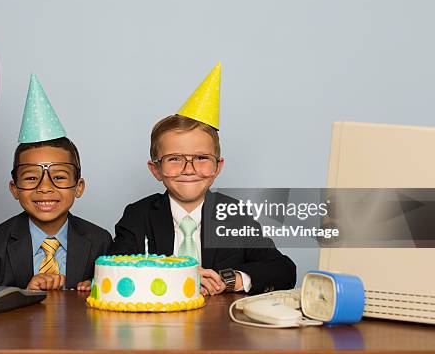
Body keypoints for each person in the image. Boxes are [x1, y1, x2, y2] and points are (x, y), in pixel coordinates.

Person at [109, 63, 296, 295]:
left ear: (218, 167)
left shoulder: (234, 215)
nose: (189, 169)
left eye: (201, 158)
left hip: (217, 327)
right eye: (175, 158)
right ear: (155, 169)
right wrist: (180, 275)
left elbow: (284, 270)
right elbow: (115, 271)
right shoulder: (138, 216)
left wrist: (229, 279)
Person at [0, 75, 112, 291]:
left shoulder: (99, 241)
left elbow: (114, 293)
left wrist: (97, 290)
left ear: (79, 187)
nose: (45, 187)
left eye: (58, 177)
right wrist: (24, 294)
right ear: (14, 189)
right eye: (31, 177)